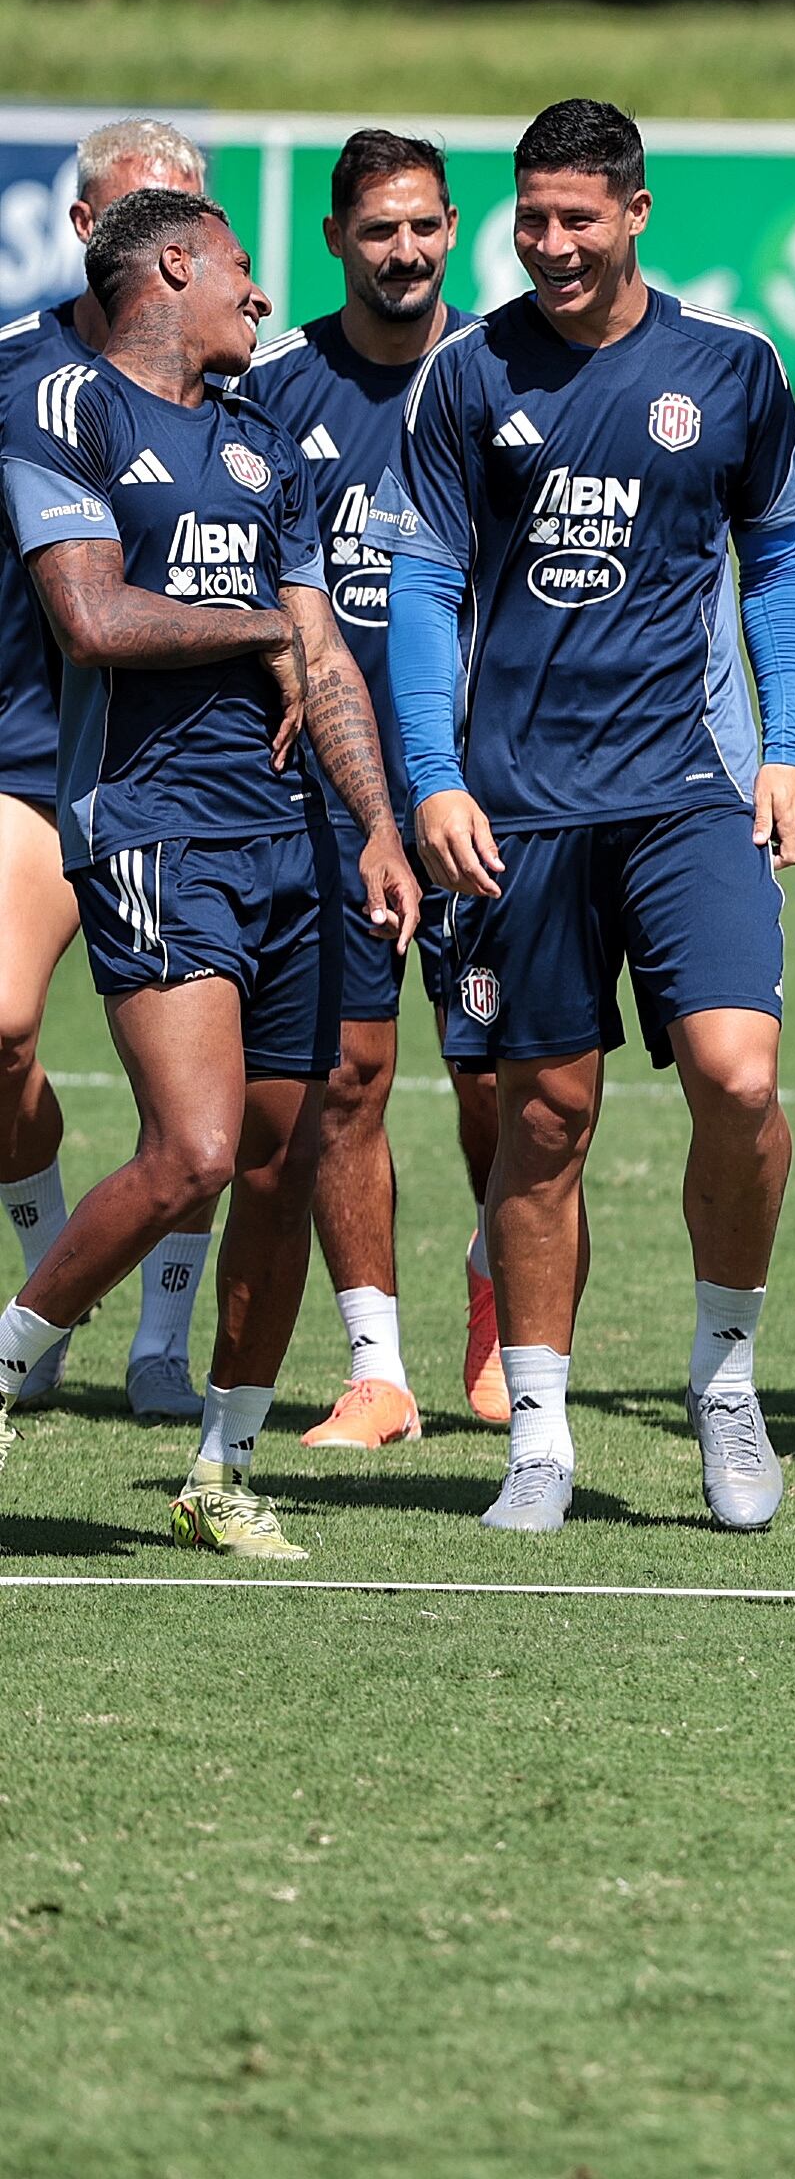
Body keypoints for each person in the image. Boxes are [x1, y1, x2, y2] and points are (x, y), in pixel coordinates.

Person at [373, 98, 795, 1538]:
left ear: (636, 212)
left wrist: (792, 745)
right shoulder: (464, 376)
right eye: (534, 218)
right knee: (545, 1119)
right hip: (520, 811)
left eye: (580, 218)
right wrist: (434, 778)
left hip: (690, 788)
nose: (553, 245)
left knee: (741, 1081)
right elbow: (428, 588)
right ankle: (544, 1437)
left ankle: (727, 1380)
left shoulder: (733, 368)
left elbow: (780, 564)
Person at [0, 190, 417, 1555]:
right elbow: (92, 614)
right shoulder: (68, 411)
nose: (259, 291)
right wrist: (258, 634)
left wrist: (374, 826)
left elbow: (326, 662)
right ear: (172, 264)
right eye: (241, 267)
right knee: (196, 1150)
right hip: (153, 827)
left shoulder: (267, 445)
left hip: (292, 834)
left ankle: (221, 1472)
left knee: (288, 1158)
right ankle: (12, 1361)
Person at [235, 129, 475, 1452]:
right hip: (328, 798)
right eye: (379, 230)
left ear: (454, 229)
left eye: (425, 227)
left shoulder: (502, 377)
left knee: (520, 1087)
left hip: (495, 792)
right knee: (347, 1080)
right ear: (336, 239)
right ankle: (379, 1371)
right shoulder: (274, 393)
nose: (404, 252)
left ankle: (507, 1335)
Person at [0, 117, 236, 1424]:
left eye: (190, 214)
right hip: (32, 765)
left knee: (199, 1104)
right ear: (86, 229)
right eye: (144, 213)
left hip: (198, 781)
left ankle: (159, 1341)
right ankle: (48, 1273)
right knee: (1, 1030)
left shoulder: (240, 381)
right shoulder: (15, 376)